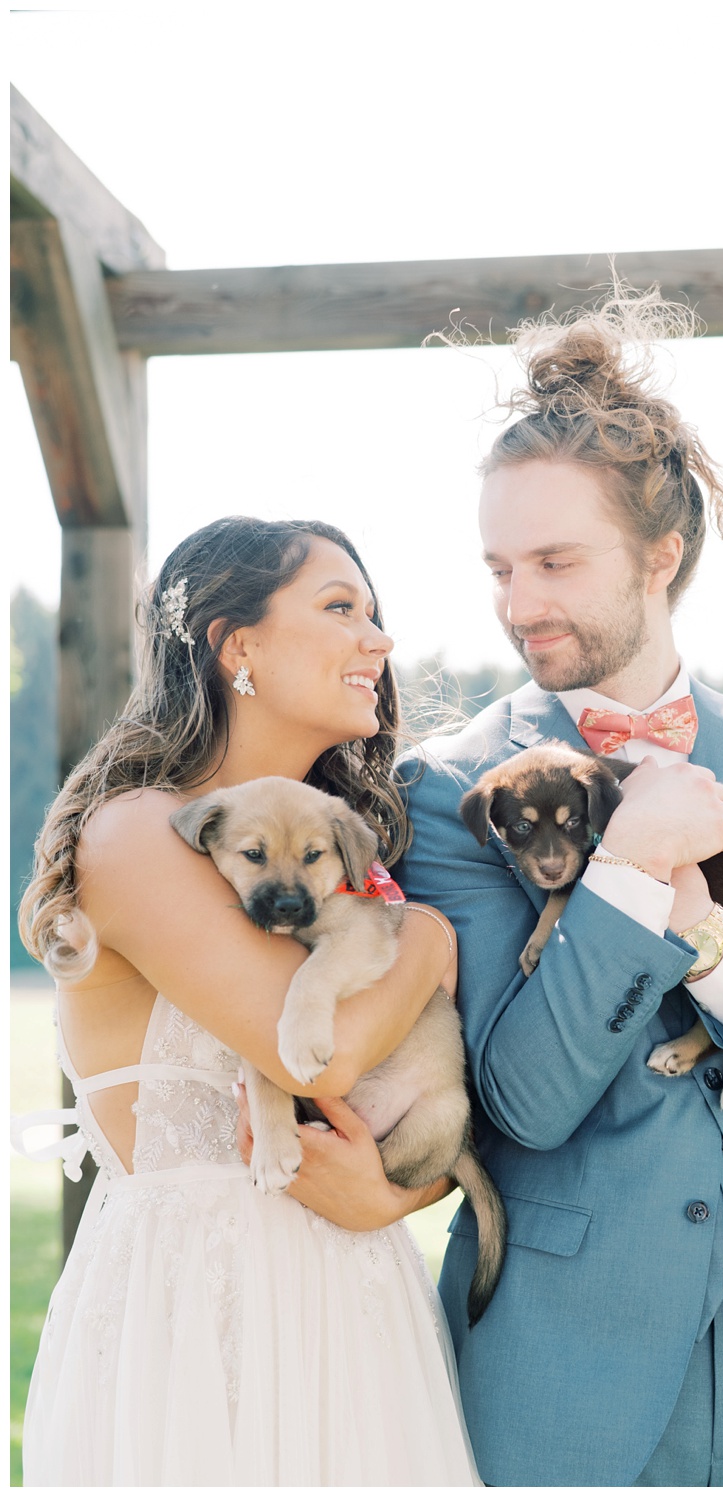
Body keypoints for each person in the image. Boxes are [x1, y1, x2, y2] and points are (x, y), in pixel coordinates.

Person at [393, 289, 723, 1486]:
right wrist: (629, 871)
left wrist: (710, 940)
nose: (518, 602)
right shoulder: (450, 791)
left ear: (661, 556)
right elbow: (520, 1098)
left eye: (554, 561)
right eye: (497, 567)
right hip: (568, 1387)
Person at [14, 518, 480, 1484]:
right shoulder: (142, 836)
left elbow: (409, 1102)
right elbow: (323, 1056)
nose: (379, 640)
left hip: (352, 1314)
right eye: (341, 607)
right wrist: (429, 939)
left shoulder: (340, 847)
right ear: (239, 648)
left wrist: (398, 1191)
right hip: (196, 1326)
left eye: (377, 612)